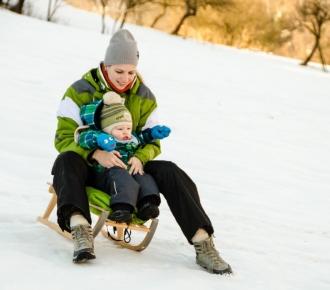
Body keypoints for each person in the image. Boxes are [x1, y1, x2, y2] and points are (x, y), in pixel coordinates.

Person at [52, 28, 232, 274]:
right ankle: (80, 228)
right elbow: (63, 138)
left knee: (170, 170)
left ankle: (203, 242)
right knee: (66, 159)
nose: (125, 78)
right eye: (119, 72)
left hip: (131, 169)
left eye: (131, 72)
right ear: (106, 65)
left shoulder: (144, 96)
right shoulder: (79, 90)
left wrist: (140, 156)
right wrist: (95, 154)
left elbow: (153, 141)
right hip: (93, 168)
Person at [76, 91, 171, 224]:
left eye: (128, 127)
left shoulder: (131, 138)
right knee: (121, 176)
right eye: (120, 129)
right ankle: (121, 208)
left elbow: (142, 138)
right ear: (107, 129)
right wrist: (99, 138)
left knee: (143, 176)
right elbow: (82, 138)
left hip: (128, 172)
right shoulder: (101, 136)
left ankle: (147, 204)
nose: (125, 132)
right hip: (107, 175)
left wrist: (153, 134)